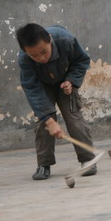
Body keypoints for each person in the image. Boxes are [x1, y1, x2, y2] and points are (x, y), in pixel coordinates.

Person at [16, 23, 95, 181]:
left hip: (65, 81)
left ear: (50, 39)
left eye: (44, 52)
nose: (41, 58)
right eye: (34, 56)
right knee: (44, 123)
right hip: (42, 86)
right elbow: (31, 89)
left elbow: (81, 61)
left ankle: (88, 160)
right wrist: (49, 120)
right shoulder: (24, 58)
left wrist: (71, 81)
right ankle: (44, 164)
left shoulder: (66, 40)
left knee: (73, 116)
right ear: (25, 52)